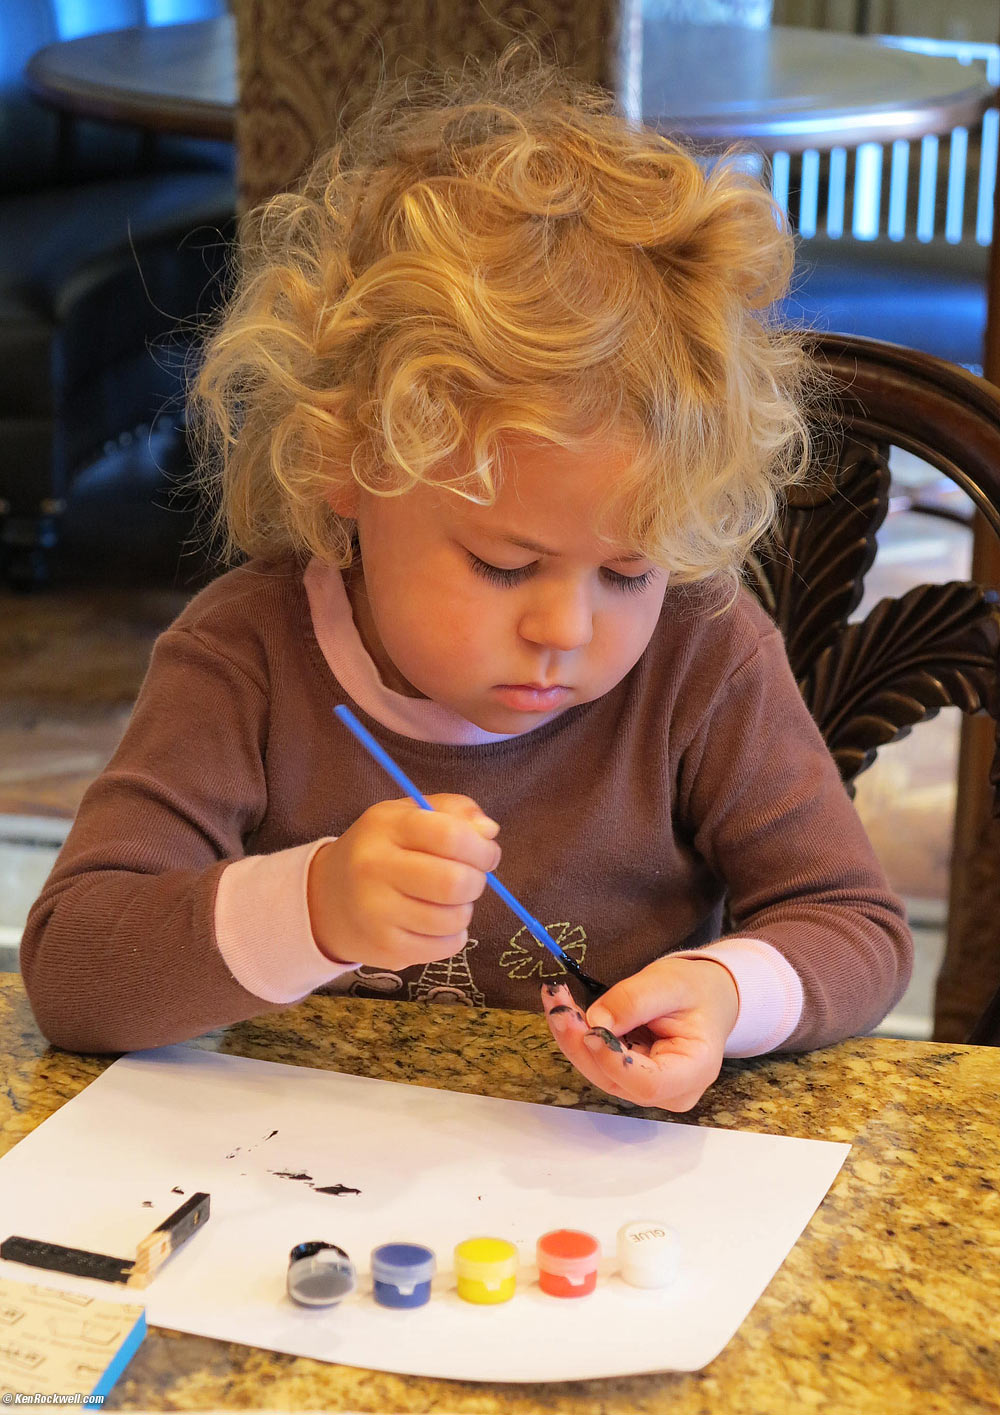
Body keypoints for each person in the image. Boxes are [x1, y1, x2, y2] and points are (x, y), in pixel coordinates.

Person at [21, 48, 911, 1109]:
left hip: (602, 1202)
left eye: (628, 571)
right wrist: (309, 907)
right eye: (503, 563)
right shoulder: (247, 655)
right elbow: (73, 968)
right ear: (346, 465)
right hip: (304, 1191)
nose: (564, 626)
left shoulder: (699, 650)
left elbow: (856, 929)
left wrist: (725, 988)